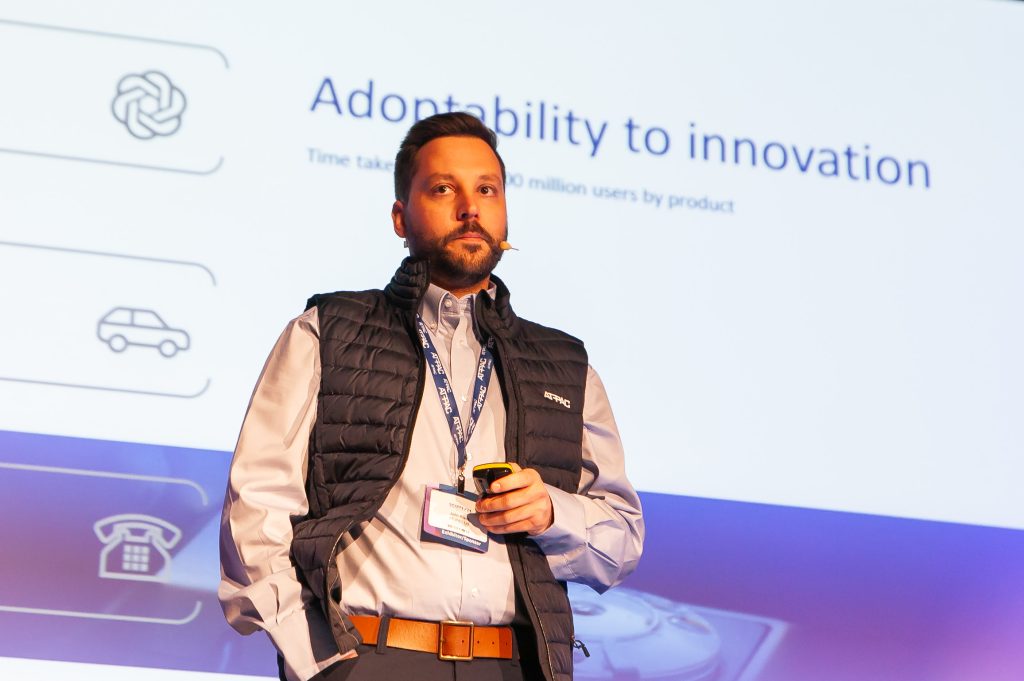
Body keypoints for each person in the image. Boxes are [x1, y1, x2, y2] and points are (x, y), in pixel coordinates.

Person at [219, 112, 644, 681]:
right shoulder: (328, 331)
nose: (470, 208)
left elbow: (622, 538)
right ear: (401, 217)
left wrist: (550, 512)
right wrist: (313, 656)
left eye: (487, 190)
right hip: (367, 658)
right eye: (444, 189)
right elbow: (257, 503)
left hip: (512, 666)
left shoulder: (565, 364)